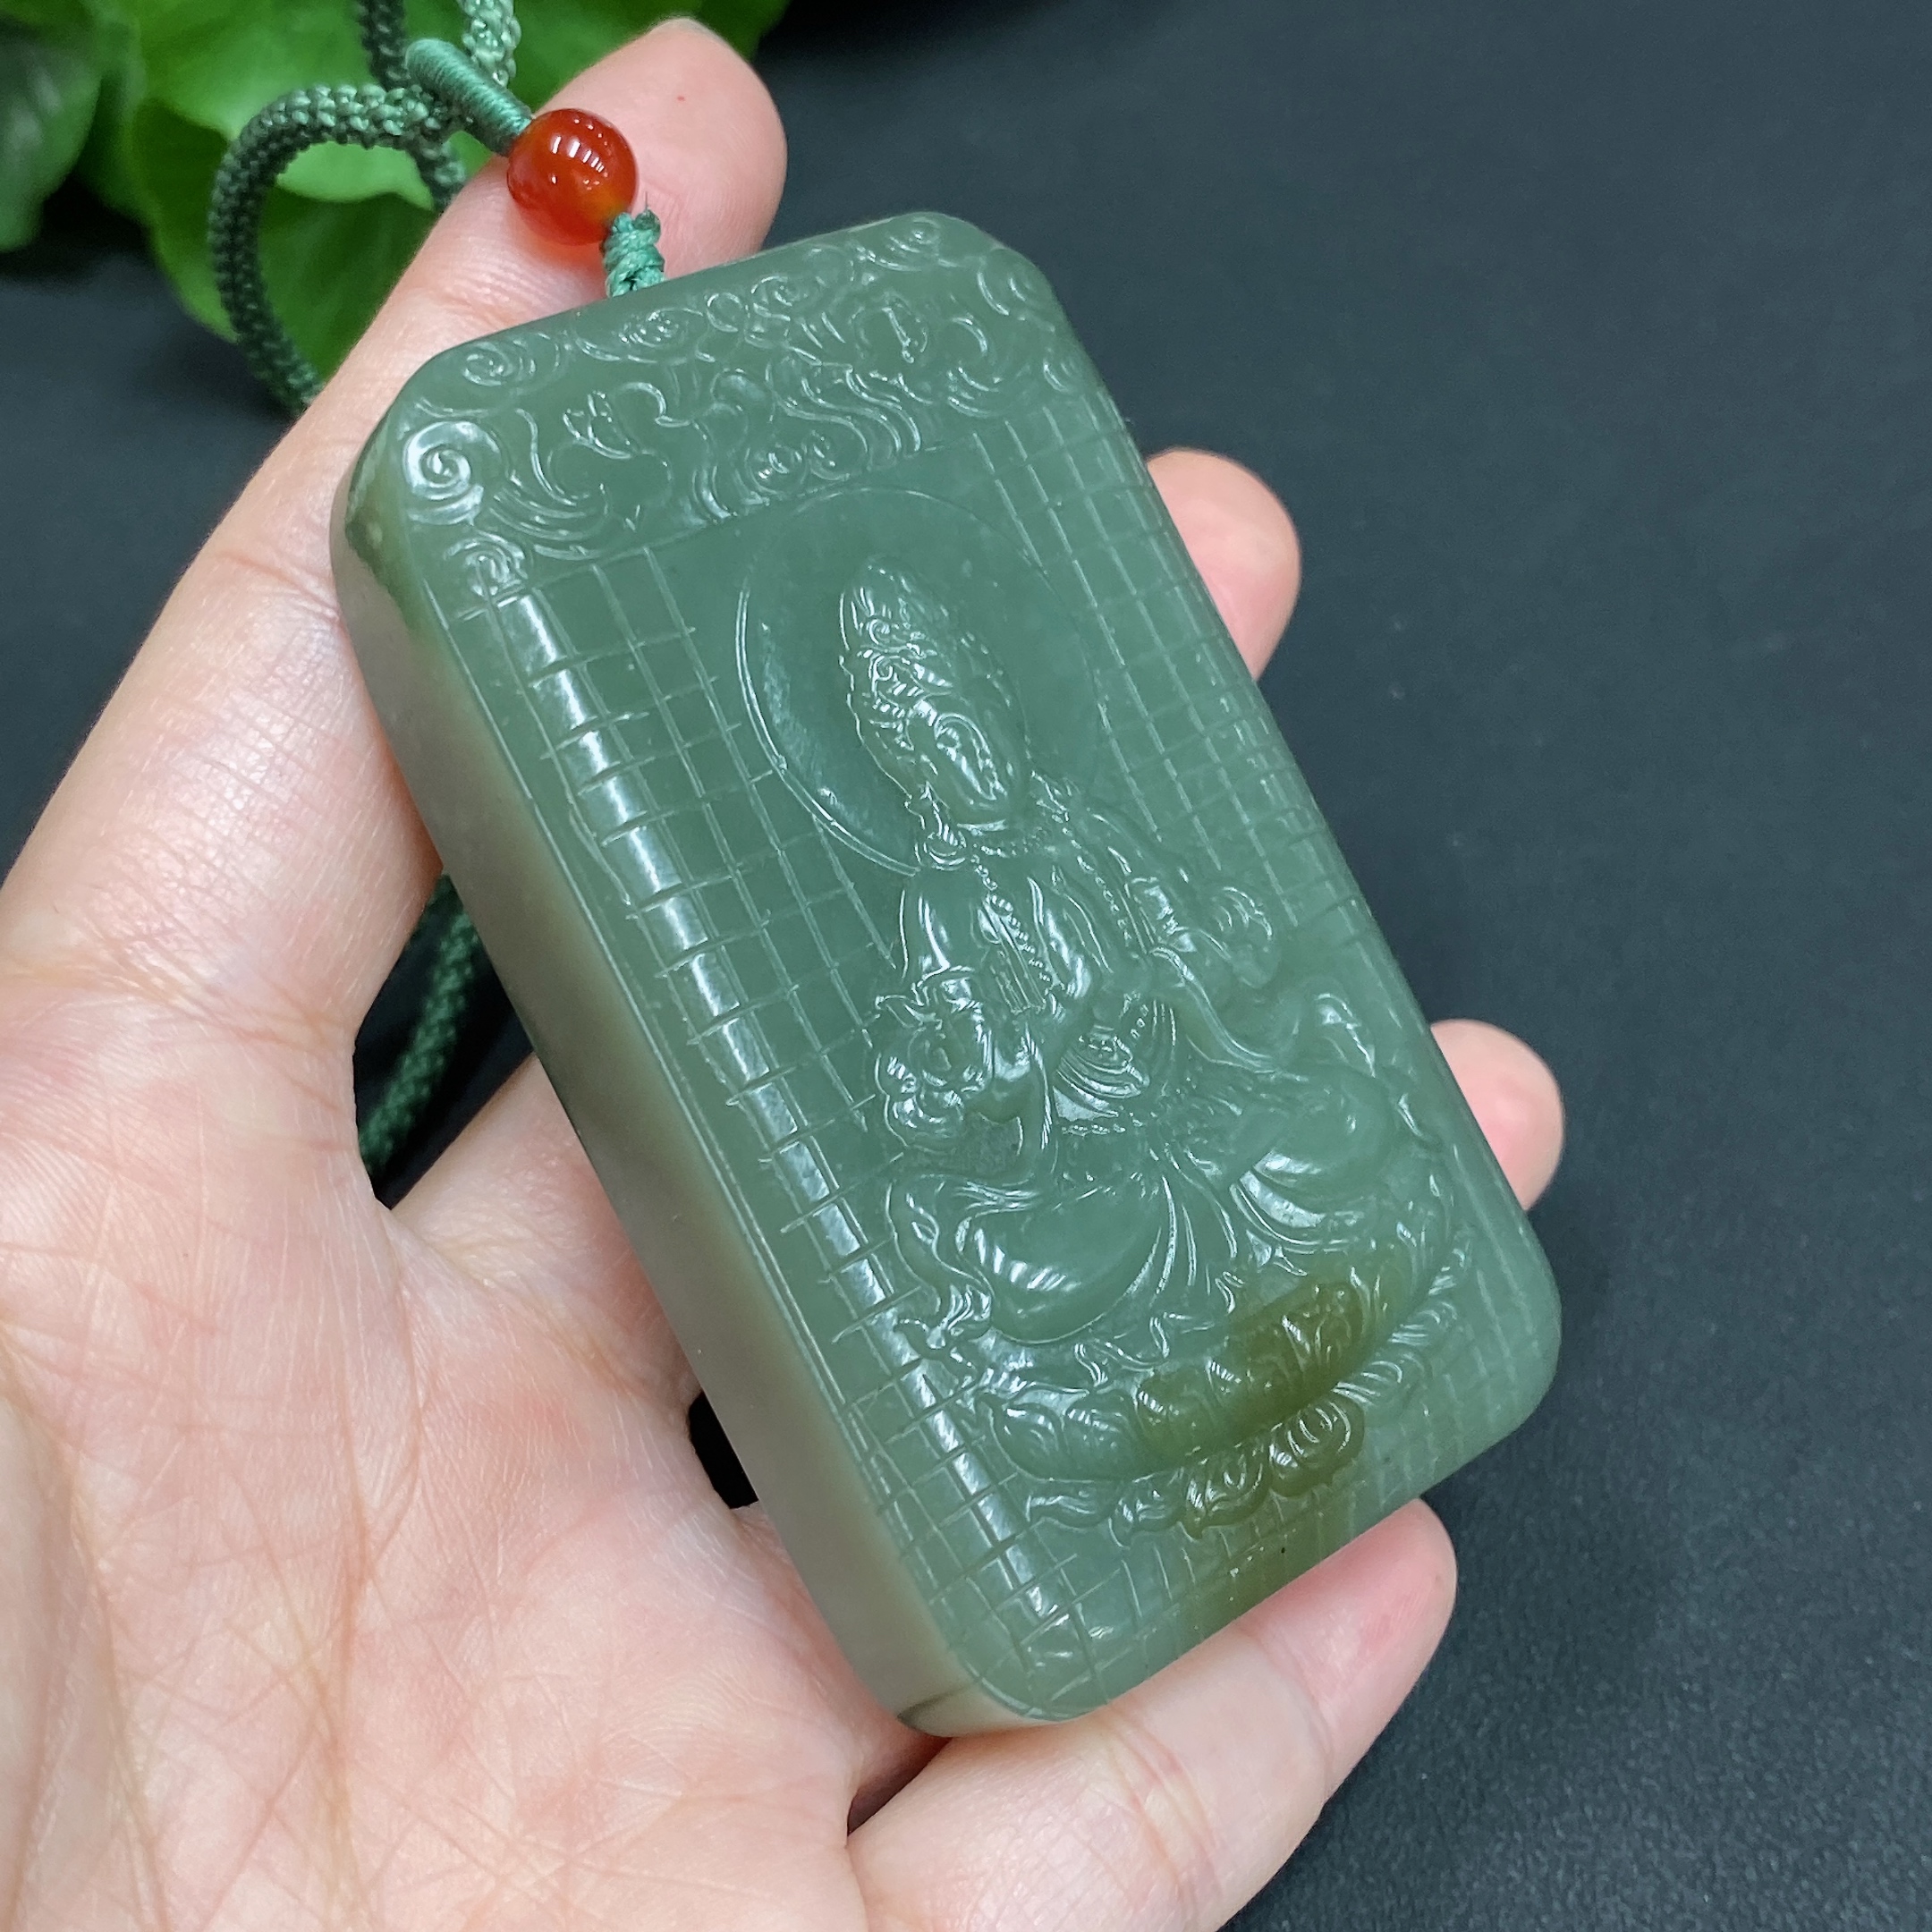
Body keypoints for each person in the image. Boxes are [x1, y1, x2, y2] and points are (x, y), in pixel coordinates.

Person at [0, 21, 1563, 1929]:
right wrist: (1023, 1075)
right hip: (1077, 1226)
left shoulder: (1064, 840)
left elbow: (1216, 979)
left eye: (955, 698)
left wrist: (1204, 996)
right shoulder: (932, 906)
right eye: (906, 720)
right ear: (877, 749)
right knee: (1017, 1266)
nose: (946, 737)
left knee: (1324, 1105)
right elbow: (925, 1114)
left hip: (1214, 1157)